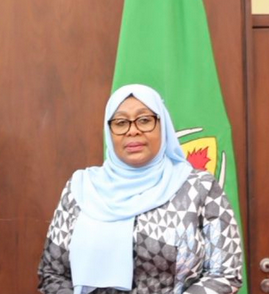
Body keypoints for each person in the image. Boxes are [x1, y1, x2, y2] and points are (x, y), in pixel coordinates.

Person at [38, 84, 243, 294]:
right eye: (121, 123)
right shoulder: (81, 188)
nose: (132, 130)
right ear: (109, 131)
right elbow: (51, 274)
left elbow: (225, 274)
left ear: (163, 126)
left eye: (144, 120)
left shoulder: (199, 188)